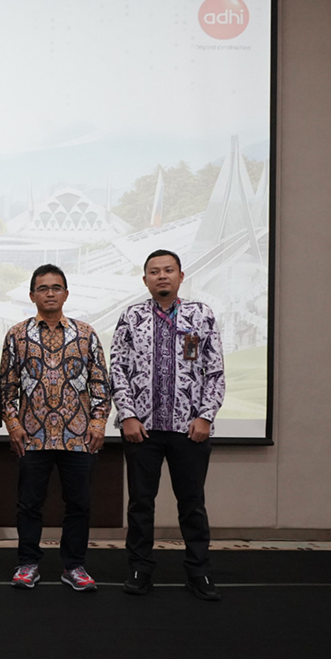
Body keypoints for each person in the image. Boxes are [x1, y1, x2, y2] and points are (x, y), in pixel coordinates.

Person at [110, 249, 225, 601]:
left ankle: (199, 572)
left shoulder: (201, 315)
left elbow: (215, 371)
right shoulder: (131, 316)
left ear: (181, 276)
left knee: (192, 504)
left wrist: (205, 416)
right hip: (141, 430)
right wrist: (127, 415)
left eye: (168, 270)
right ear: (145, 279)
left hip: (189, 430)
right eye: (154, 271)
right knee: (140, 504)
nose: (162, 276)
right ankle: (139, 569)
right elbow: (117, 368)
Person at [1, 264, 111, 593]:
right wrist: (13, 424)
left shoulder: (86, 334)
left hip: (78, 436)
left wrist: (98, 423)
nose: (50, 293)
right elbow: (6, 386)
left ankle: (74, 566)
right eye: (43, 288)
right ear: (32, 295)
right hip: (31, 436)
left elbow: (100, 384)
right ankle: (27, 564)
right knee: (29, 504)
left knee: (79, 505)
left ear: (66, 293)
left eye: (56, 287)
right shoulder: (17, 335)